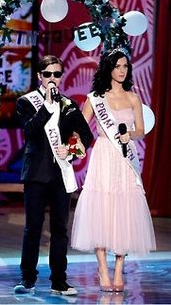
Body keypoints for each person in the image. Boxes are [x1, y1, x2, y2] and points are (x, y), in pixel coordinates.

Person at [71, 48, 156, 292]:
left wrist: (130, 134)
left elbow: (140, 130)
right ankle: (103, 269)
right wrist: (73, 144)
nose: (122, 71)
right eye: (118, 66)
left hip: (125, 156)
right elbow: (80, 128)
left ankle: (119, 269)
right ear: (108, 68)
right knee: (102, 209)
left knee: (125, 211)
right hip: (104, 155)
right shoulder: (95, 98)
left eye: (125, 67)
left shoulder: (133, 98)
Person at [14, 55, 93, 295]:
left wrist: (69, 150)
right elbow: (30, 131)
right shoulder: (26, 102)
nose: (52, 79)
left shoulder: (68, 104)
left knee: (60, 228)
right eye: (47, 74)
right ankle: (28, 278)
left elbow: (86, 136)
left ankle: (59, 280)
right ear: (39, 76)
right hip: (36, 174)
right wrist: (47, 107)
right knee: (33, 228)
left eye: (56, 74)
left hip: (61, 173)